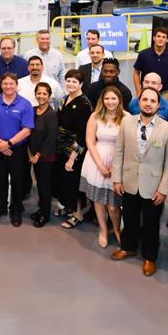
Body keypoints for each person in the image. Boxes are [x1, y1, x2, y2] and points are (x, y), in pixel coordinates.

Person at [110, 86, 168, 274]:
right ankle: (128, 247)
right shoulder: (127, 122)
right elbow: (119, 151)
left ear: (158, 104)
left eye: (152, 101)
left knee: (151, 224)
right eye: (145, 100)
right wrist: (117, 178)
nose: (148, 104)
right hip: (129, 180)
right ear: (139, 102)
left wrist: (164, 189)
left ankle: (150, 257)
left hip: (154, 186)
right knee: (129, 218)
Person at [81, 86, 125, 248]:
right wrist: (100, 166)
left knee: (113, 206)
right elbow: (90, 142)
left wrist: (115, 167)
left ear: (119, 100)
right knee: (98, 200)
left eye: (113, 98)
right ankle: (103, 229)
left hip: (118, 161)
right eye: (107, 98)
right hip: (96, 161)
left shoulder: (126, 117)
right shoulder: (95, 116)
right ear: (102, 100)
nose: (110, 102)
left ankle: (117, 229)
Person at [0, 73, 34, 225]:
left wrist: (7, 144)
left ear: (16, 85)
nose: (8, 86)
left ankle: (16, 210)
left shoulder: (25, 104)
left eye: (11, 84)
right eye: (5, 84)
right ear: (1, 85)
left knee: (17, 181)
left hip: (17, 151)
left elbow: (27, 129)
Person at [57, 71, 93, 229]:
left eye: (74, 82)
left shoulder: (84, 104)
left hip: (75, 150)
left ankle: (78, 213)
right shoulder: (64, 98)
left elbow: (83, 135)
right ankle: (68, 207)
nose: (70, 84)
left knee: (74, 183)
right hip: (61, 147)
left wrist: (72, 158)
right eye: (68, 80)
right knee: (64, 181)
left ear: (81, 85)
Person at [28, 82, 60, 227]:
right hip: (34, 156)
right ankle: (41, 209)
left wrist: (38, 155)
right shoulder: (33, 110)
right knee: (40, 184)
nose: (41, 96)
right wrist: (30, 153)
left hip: (45, 157)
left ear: (49, 96)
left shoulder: (51, 114)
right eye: (39, 93)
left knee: (45, 186)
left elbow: (51, 138)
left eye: (44, 94)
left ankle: (45, 215)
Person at [133, 27, 168, 103]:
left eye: (164, 37)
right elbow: (136, 73)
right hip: (146, 93)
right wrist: (139, 92)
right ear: (154, 38)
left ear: (167, 40)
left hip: (165, 96)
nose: (161, 39)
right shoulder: (143, 54)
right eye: (158, 36)